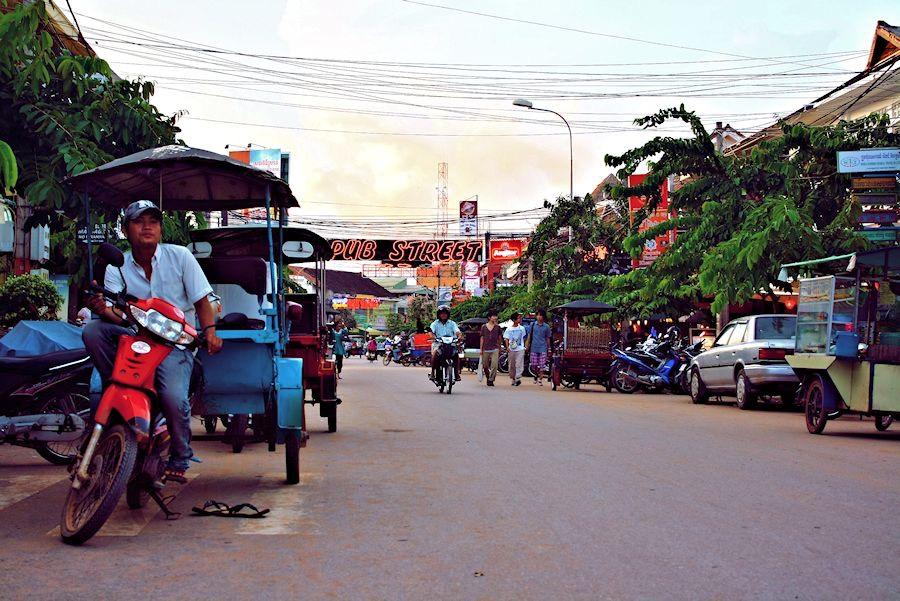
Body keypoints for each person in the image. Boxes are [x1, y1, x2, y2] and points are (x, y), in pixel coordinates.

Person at [83, 200, 223, 483]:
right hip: (134, 339)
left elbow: (201, 300)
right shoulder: (117, 267)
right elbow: (118, 315)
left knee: (173, 396)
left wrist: (209, 330)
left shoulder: (180, 256)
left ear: (160, 229)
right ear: (125, 229)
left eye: (153, 221)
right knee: (92, 332)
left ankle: (180, 456)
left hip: (175, 344)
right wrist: (102, 310)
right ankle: (119, 386)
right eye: (138, 221)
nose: (147, 227)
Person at [429, 305, 462, 381]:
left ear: (448, 314)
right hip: (438, 343)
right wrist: (433, 336)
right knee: (434, 354)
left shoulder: (452, 323)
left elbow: (457, 332)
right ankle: (432, 372)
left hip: (450, 344)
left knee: (456, 354)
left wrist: (459, 336)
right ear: (439, 314)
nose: (443, 315)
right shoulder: (435, 323)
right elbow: (431, 332)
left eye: (445, 313)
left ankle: (456, 373)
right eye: (442, 313)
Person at [527, 309, 553, 386]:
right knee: (534, 364)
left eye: (541, 315)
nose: (539, 317)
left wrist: (549, 348)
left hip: (543, 347)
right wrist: (527, 345)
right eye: (538, 315)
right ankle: (536, 375)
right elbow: (529, 336)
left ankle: (540, 379)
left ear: (543, 317)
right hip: (534, 347)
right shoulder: (532, 325)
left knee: (542, 365)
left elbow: (548, 338)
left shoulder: (546, 327)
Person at [504, 312, 527, 386]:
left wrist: (525, 346)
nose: (519, 319)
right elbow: (506, 339)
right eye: (518, 318)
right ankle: (513, 378)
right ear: (514, 320)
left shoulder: (522, 328)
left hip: (520, 349)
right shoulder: (509, 329)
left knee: (519, 363)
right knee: (512, 365)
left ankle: (518, 378)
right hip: (511, 349)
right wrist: (507, 347)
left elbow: (524, 338)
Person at [479, 310, 501, 386]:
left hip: (495, 348)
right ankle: (488, 377)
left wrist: (499, 347)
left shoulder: (498, 327)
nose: (495, 317)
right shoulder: (483, 327)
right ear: (489, 317)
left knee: (494, 365)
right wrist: (481, 349)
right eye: (493, 316)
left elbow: (499, 338)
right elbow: (482, 338)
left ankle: (491, 379)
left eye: (496, 316)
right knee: (485, 366)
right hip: (485, 348)